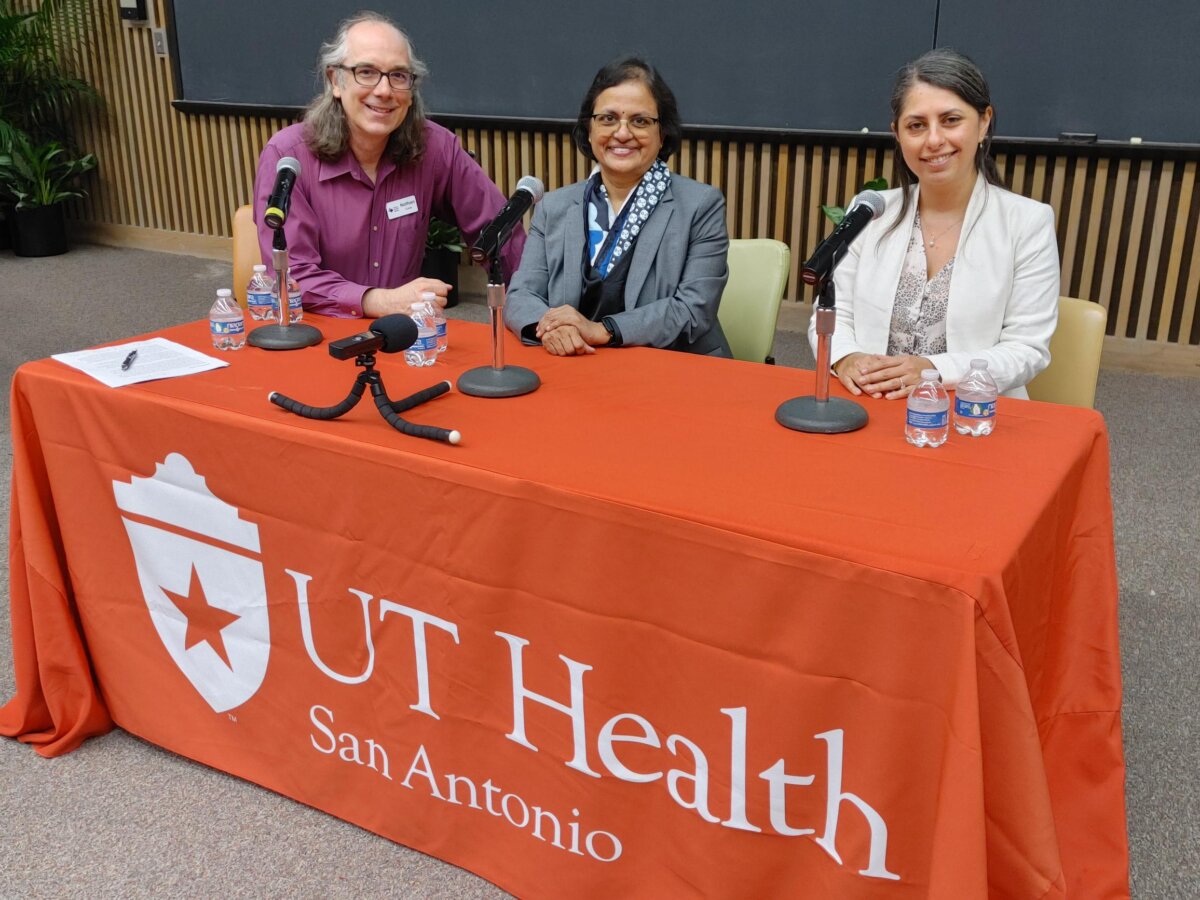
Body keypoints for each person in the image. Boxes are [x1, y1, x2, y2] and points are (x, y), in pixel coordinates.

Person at [810, 49, 1059, 399]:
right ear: (897, 133)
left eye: (951, 120)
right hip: (870, 407)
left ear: (984, 121)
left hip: (974, 412)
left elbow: (1027, 349)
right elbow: (833, 313)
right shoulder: (871, 212)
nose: (933, 140)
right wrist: (846, 357)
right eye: (916, 125)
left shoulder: (1027, 223)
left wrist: (935, 370)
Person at [252, 13, 523, 319]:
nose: (384, 90)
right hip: (318, 334)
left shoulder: (436, 148)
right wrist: (380, 302)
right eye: (366, 72)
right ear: (335, 81)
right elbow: (294, 275)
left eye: (398, 75)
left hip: (404, 340)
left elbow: (502, 235)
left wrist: (537, 307)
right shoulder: (288, 157)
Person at [504, 57, 731, 357]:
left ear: (662, 134)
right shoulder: (555, 207)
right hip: (578, 364)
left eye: (640, 121)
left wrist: (602, 330)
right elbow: (521, 295)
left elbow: (692, 309)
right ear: (589, 129)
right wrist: (552, 328)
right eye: (608, 119)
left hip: (672, 368)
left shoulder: (701, 206)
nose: (622, 133)